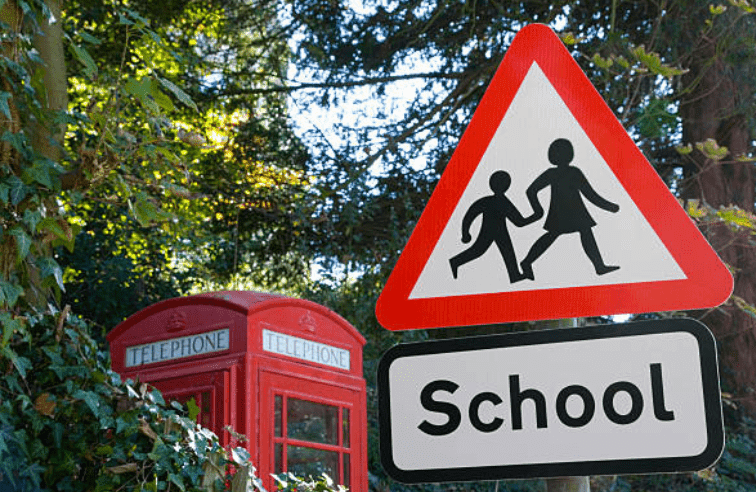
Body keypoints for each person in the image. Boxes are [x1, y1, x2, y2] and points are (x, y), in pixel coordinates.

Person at [520, 138, 620, 280]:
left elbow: (589, 194)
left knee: (581, 233)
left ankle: (599, 266)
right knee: (569, 234)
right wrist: (609, 206)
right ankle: (526, 262)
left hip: (571, 212)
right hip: (567, 212)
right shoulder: (569, 172)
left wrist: (538, 210)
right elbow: (590, 194)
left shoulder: (558, 173)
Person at [449, 170, 537, 282]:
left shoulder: (493, 201)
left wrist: (465, 232)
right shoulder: (499, 201)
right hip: (490, 231)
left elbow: (470, 215)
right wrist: (535, 216)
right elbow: (471, 214)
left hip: (499, 231)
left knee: (506, 251)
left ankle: (514, 274)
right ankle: (455, 262)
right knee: (479, 250)